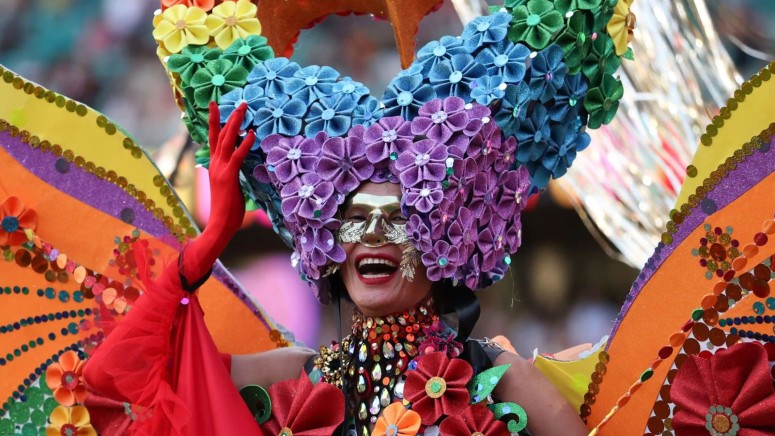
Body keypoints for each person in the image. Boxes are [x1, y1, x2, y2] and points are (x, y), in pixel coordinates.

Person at [82, 101, 588, 435]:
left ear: (441, 245)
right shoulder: (298, 378)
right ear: (329, 248)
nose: (371, 235)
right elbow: (121, 376)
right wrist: (211, 242)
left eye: (398, 220)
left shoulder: (498, 377)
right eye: (353, 220)